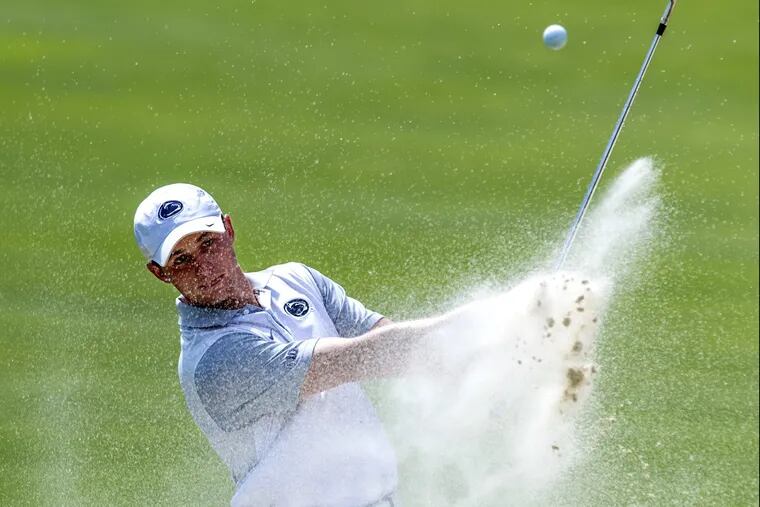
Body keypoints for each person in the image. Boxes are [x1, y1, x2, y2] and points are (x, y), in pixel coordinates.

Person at [133, 183, 454, 507]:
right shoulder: (213, 360)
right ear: (160, 273)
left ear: (228, 230)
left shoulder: (296, 280)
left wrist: (465, 363)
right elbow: (354, 359)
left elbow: (394, 344)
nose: (204, 267)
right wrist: (477, 322)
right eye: (182, 260)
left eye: (207, 242)